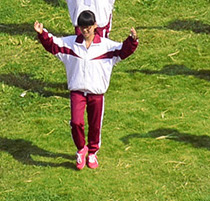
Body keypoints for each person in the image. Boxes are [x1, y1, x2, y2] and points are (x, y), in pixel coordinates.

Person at [31, 19, 138, 168]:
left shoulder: (106, 45)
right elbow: (53, 44)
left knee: (95, 125)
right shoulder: (70, 43)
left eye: (88, 27)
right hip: (77, 91)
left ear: (95, 26)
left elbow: (122, 50)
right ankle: (81, 149)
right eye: (82, 27)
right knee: (76, 122)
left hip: (97, 93)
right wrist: (42, 33)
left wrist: (132, 41)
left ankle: (93, 153)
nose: (85, 30)